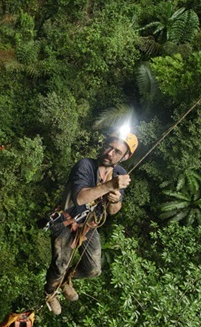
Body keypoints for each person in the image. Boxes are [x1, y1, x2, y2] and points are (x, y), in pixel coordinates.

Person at [43, 130, 138, 315]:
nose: (109, 153)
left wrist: (115, 199)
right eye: (108, 147)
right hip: (65, 221)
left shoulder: (119, 173)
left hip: (88, 224)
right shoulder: (85, 165)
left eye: (117, 152)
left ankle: (65, 280)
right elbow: (80, 198)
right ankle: (49, 292)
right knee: (59, 264)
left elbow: (113, 211)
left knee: (93, 269)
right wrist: (109, 186)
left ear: (125, 156)